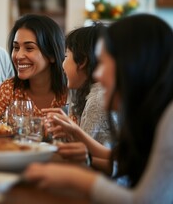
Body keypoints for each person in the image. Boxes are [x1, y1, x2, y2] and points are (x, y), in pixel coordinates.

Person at [24, 14, 173, 203]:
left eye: (103, 63)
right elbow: (124, 161)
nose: (97, 74)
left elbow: (143, 201)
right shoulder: (149, 113)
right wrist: (82, 148)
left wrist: (74, 178)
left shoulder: (169, 120)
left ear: (133, 64)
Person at [42, 23, 114, 147]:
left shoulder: (97, 100)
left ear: (82, 61)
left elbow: (83, 153)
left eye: (66, 56)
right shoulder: (85, 94)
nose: (63, 65)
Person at [0, 14, 67, 117]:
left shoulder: (71, 93)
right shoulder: (8, 90)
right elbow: (3, 131)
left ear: (52, 54)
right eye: (16, 47)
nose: (18, 56)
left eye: (29, 48)